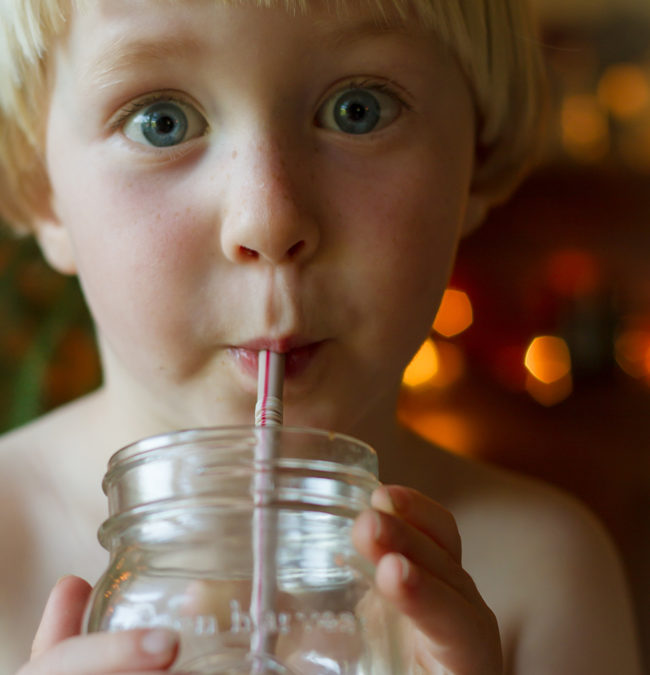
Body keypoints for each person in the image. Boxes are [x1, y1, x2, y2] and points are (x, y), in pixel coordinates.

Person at [0, 0, 642, 673]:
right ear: (43, 188)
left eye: (357, 109)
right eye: (162, 123)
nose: (269, 218)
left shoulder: (543, 577)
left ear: (476, 158)